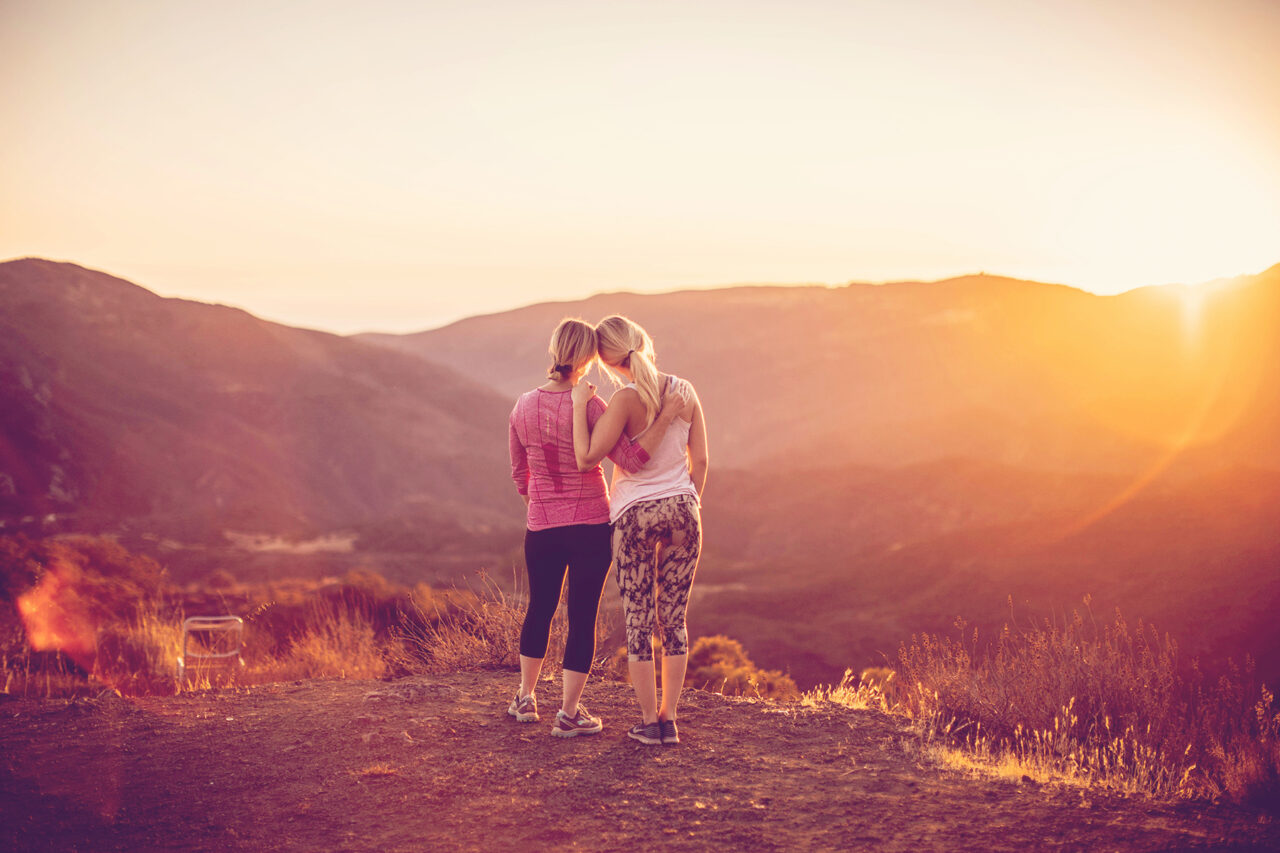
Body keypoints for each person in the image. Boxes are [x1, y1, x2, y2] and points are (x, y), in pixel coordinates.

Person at [507, 318, 687, 737]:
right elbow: (631, 460)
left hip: (542, 525)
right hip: (590, 524)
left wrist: (539, 503)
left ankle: (525, 698)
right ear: (589, 359)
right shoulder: (591, 406)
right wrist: (665, 419)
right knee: (581, 616)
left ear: (553, 351)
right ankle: (569, 713)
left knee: (540, 608)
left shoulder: (522, 406)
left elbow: (519, 472)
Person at [570, 314, 708, 746]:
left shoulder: (625, 402)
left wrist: (578, 407)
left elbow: (592, 456)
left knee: (639, 619)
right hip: (685, 509)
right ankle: (671, 719)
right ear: (644, 341)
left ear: (608, 363)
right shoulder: (685, 391)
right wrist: (689, 503)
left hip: (634, 517)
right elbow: (700, 461)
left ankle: (650, 722)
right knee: (674, 618)